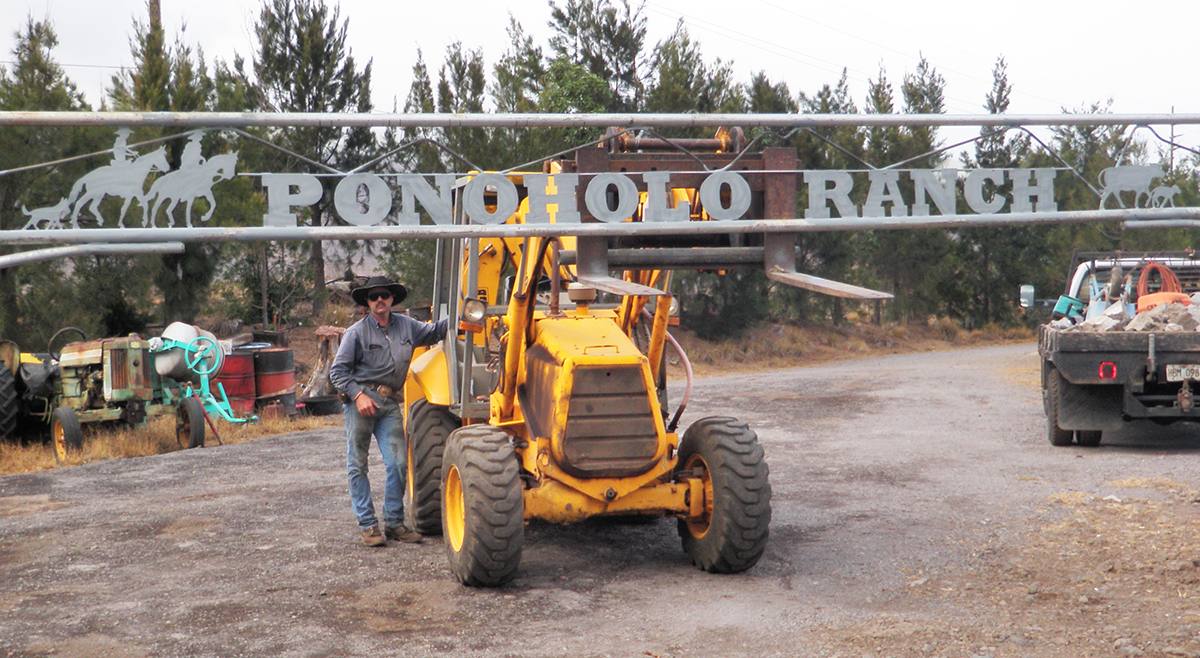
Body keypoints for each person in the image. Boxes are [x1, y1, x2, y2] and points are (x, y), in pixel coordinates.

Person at [329, 276, 448, 547]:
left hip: (390, 403)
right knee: (358, 464)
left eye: (384, 295)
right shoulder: (356, 332)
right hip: (361, 401)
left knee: (397, 463)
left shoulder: (408, 326)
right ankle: (368, 526)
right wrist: (358, 395)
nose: (379, 300)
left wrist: (469, 315)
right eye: (374, 297)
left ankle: (394, 523)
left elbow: (436, 331)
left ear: (392, 299)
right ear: (367, 303)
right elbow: (337, 372)